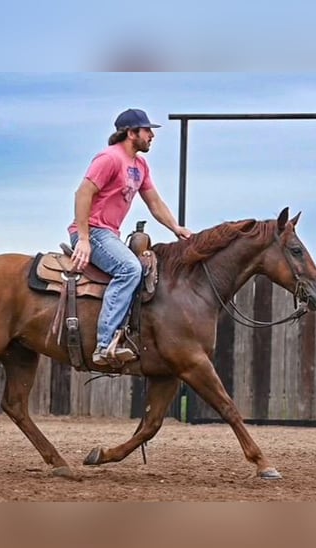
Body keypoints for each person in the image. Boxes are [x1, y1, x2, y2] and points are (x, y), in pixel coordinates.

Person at [68, 108, 192, 367]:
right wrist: (83, 238)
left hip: (110, 234)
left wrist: (176, 228)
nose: (151, 136)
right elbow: (82, 194)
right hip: (94, 232)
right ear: (130, 133)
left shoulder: (140, 165)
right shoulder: (109, 158)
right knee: (129, 268)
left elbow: (154, 202)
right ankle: (104, 344)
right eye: (147, 131)